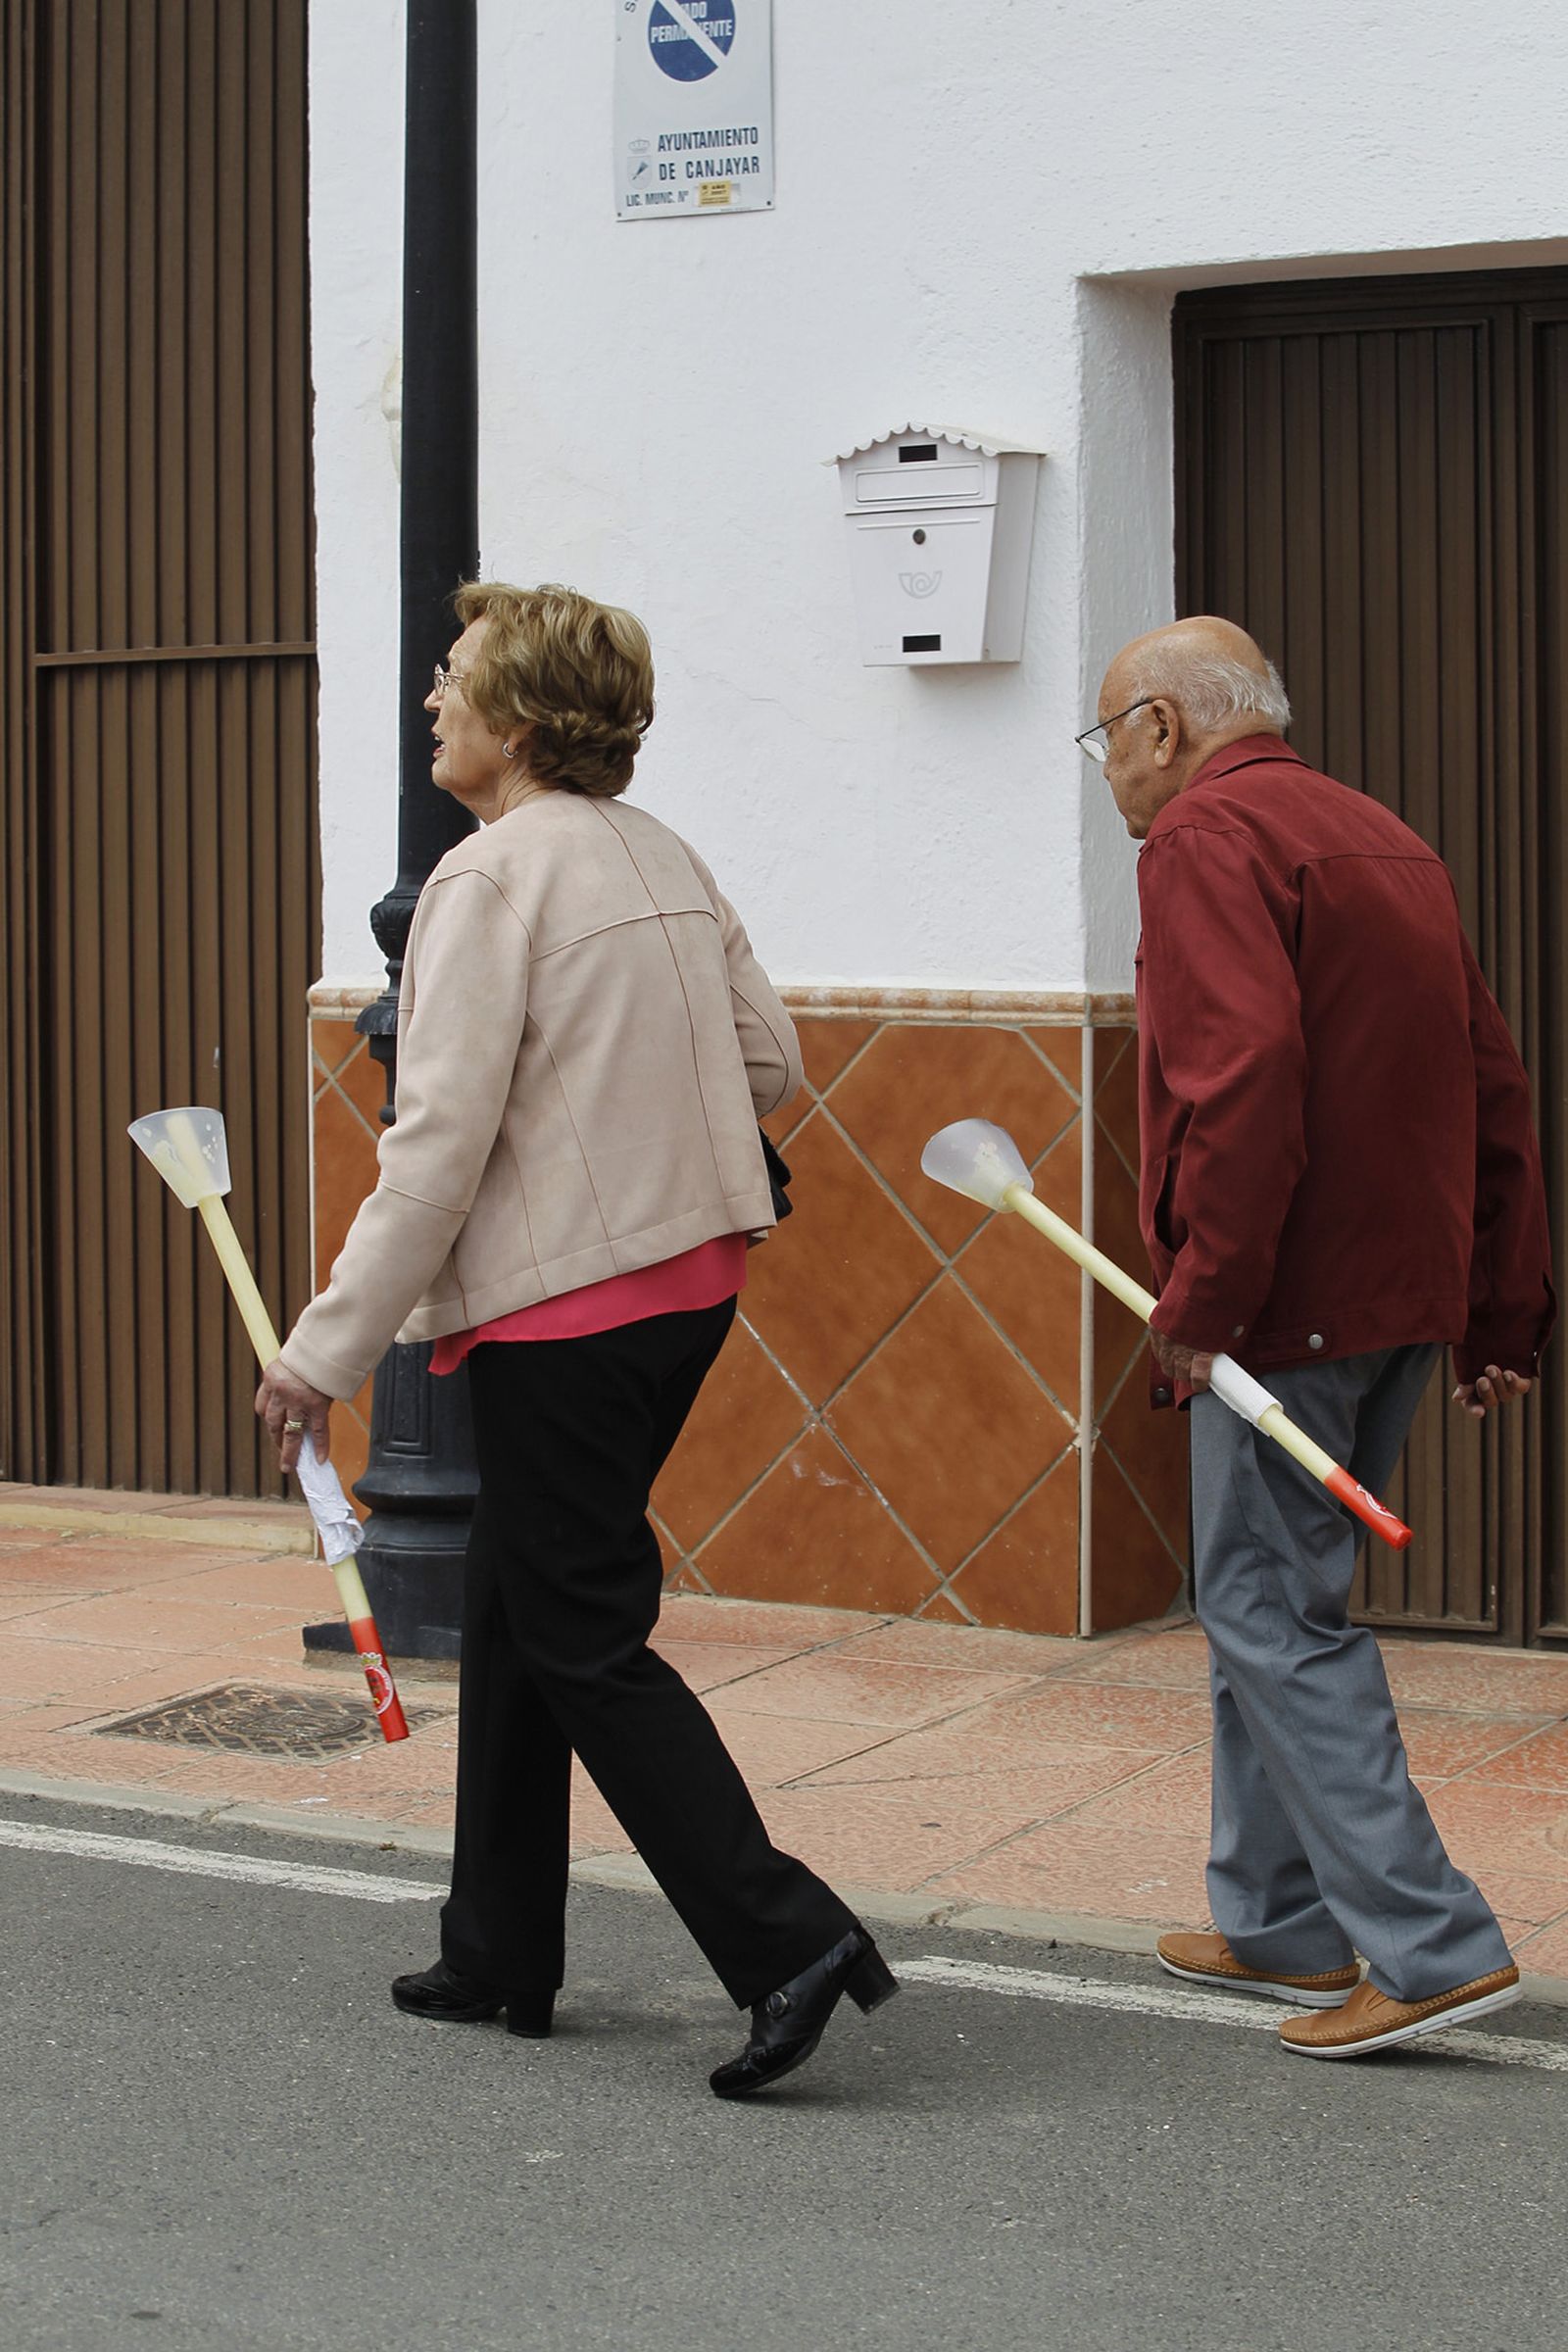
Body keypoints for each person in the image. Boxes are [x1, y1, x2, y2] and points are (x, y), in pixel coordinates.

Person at [257, 581, 897, 2098]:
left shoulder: (486, 883)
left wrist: (320, 1352)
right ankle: (497, 1948)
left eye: (454, 676)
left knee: (582, 1629)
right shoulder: (664, 857)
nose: (433, 698)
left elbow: (436, 1149)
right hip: (688, 1290)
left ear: (521, 721)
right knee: (518, 1593)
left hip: (566, 1311)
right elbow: (770, 1061)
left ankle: (786, 1937)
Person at [1078, 615, 1554, 2059]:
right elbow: (1493, 1081)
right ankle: (1279, 1919)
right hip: (1396, 1300)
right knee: (1263, 1601)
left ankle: (1426, 1947)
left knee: (1275, 1616)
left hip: (1286, 1307)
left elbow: (1242, 1083)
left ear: (1163, 727)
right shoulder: (1379, 835)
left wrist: (1201, 1307)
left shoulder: (1205, 842)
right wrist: (1501, 1308)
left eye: (1107, 739)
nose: (1108, 773)